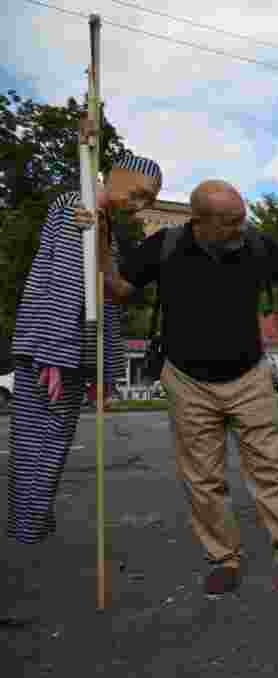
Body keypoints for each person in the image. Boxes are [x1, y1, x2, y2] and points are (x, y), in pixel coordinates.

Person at [97, 179, 278, 595]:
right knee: (203, 479)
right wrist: (99, 238)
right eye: (231, 222)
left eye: (242, 218)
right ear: (200, 221)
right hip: (187, 381)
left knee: (273, 471)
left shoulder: (256, 244)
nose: (241, 227)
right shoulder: (165, 246)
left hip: (249, 376)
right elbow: (117, 290)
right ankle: (224, 559)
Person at [7, 152, 162, 545]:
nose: (140, 205)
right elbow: (63, 283)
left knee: (51, 442)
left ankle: (33, 522)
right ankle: (28, 524)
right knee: (40, 442)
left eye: (149, 200)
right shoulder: (76, 207)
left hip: (69, 351)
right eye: (138, 193)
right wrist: (53, 355)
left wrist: (101, 368)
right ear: (115, 176)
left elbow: (107, 297)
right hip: (53, 350)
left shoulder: (100, 220)